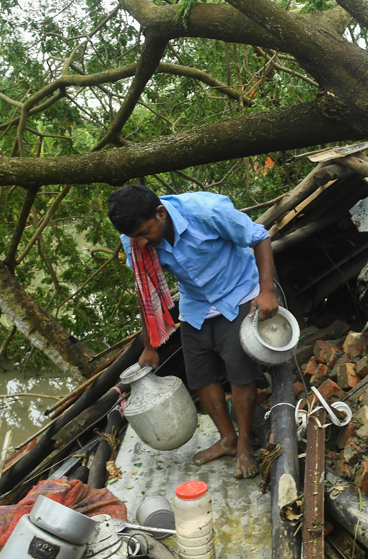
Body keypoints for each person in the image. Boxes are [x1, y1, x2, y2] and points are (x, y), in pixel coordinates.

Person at [107, 184, 278, 479]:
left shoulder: (206, 211)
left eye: (146, 232)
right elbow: (144, 289)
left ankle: (245, 444)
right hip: (196, 306)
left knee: (240, 374)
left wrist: (266, 291)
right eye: (136, 237)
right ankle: (227, 439)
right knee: (200, 375)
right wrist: (150, 345)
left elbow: (260, 238)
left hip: (238, 293)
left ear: (160, 213)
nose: (143, 242)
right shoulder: (133, 240)